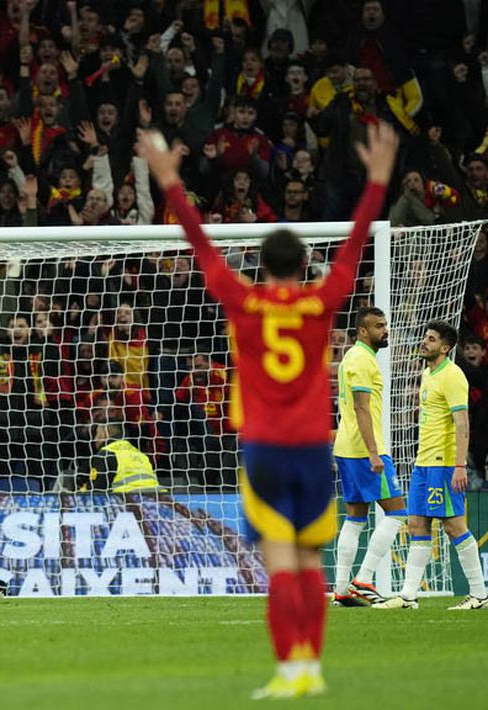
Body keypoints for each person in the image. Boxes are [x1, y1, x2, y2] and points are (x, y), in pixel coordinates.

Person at [137, 121, 397, 698]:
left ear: (260, 264)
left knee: (280, 564)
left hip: (262, 447)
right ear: (306, 265)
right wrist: (377, 181)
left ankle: (288, 671)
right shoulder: (322, 301)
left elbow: (199, 242)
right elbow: (354, 249)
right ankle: (312, 667)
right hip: (311, 445)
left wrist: (170, 182)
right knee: (309, 562)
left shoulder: (243, 299)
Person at [374, 322, 486, 610]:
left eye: (431, 339)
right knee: (416, 523)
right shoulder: (427, 373)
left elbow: (462, 422)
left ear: (445, 348)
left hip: (444, 463)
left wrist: (459, 466)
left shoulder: (452, 376)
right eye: (425, 337)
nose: (424, 342)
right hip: (424, 462)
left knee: (453, 525)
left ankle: (479, 594)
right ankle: (409, 596)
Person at [330, 307, 406, 607]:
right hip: (364, 450)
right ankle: (363, 578)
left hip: (347, 447)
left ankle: (341, 589)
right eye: (378, 326)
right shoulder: (362, 360)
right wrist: (374, 452)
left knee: (355, 517)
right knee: (398, 512)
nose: (384, 330)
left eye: (385, 325)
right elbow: (362, 408)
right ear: (363, 331)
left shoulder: (355, 357)